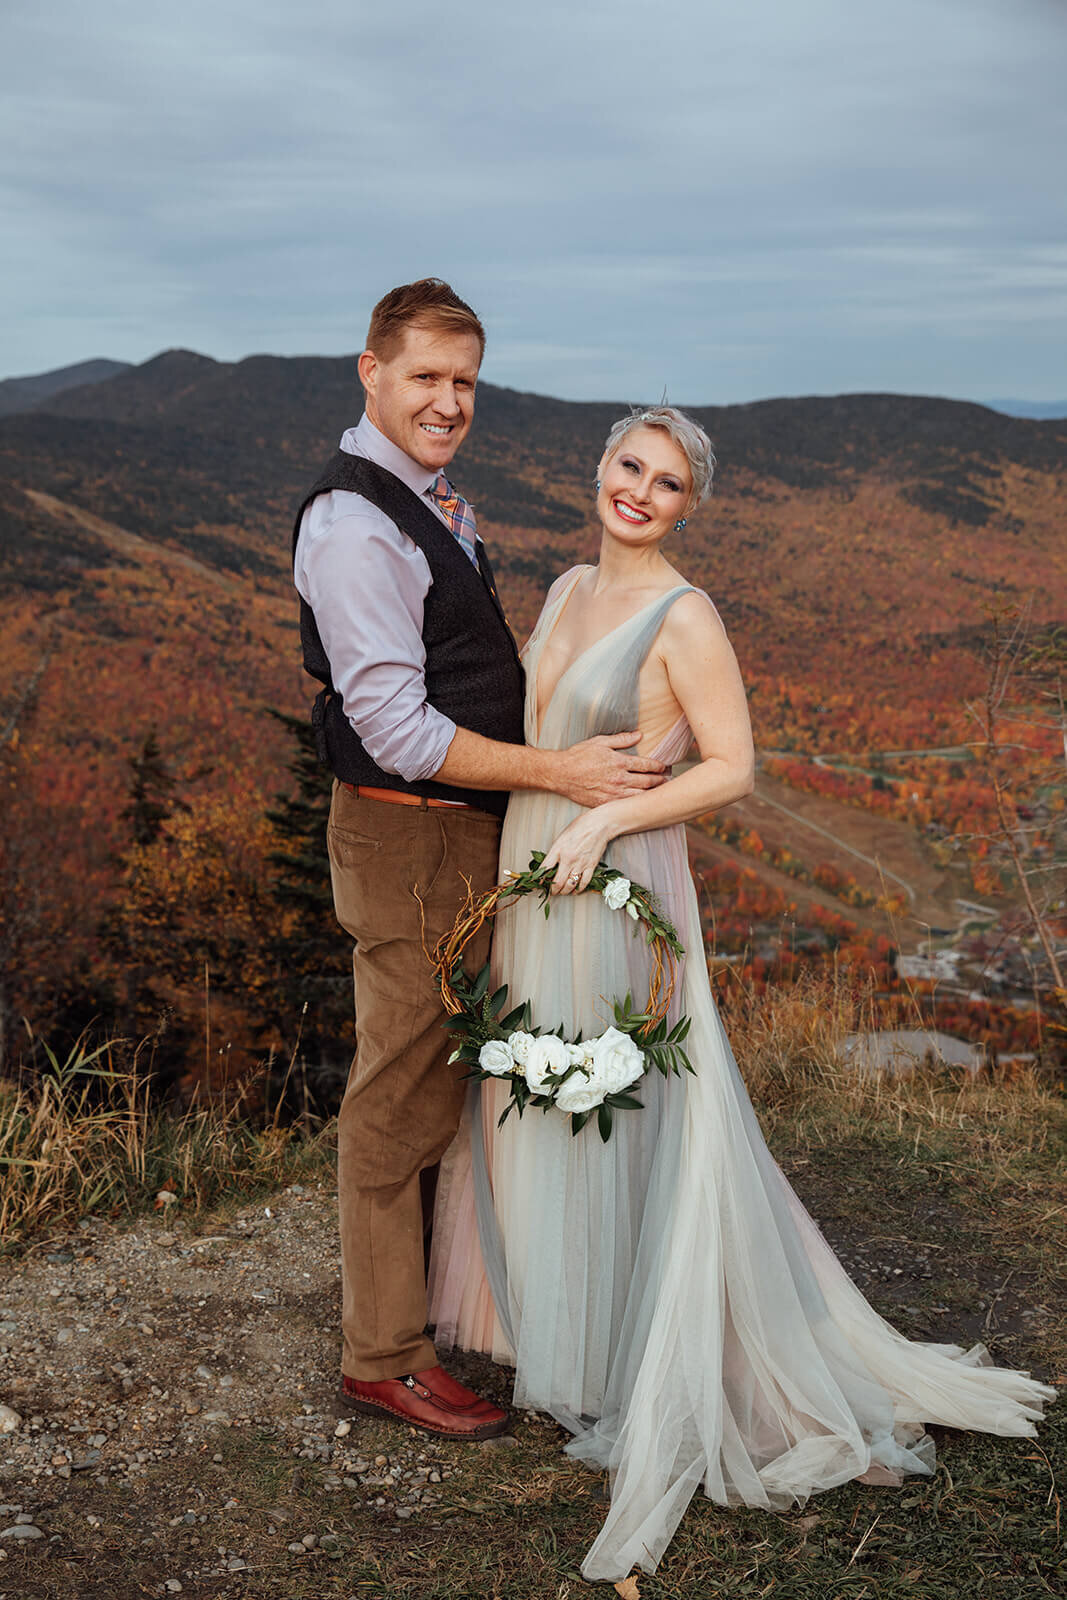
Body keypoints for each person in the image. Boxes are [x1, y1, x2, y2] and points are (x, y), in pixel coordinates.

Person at [427, 406, 1055, 1577]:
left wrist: (608, 815)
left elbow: (733, 765)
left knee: (628, 1096)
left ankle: (670, 1347)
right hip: (534, 871)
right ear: (598, 466)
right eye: (629, 466)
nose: (639, 492)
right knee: (541, 1088)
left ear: (685, 507)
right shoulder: (564, 587)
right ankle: (573, 1336)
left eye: (666, 484)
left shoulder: (686, 614)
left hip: (616, 883)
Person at [291, 280, 669, 1442]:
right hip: (407, 831)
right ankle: (381, 1357)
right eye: (424, 378)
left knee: (446, 1073)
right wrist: (561, 777)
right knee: (398, 1086)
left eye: (463, 381)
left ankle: (428, 1314)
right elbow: (397, 727)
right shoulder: (354, 526)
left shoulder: (429, 503)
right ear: (370, 370)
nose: (447, 402)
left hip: (457, 829)